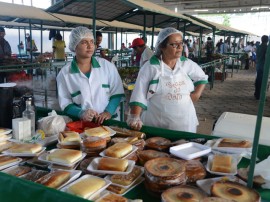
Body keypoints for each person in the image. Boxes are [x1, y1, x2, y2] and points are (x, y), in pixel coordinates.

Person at [127, 27, 208, 133]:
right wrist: (135, 117)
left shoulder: (186, 63)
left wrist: (197, 94)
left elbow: (202, 77)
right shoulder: (151, 66)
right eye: (174, 44)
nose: (179, 47)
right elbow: (139, 94)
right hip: (157, 124)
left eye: (181, 43)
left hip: (185, 123)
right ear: (162, 47)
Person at [56, 27, 125, 124]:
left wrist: (108, 112)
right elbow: (65, 103)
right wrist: (81, 113)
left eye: (92, 42)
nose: (90, 46)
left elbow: (117, 93)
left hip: (109, 122)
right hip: (82, 124)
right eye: (84, 42)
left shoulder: (107, 66)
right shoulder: (64, 74)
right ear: (74, 45)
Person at [254, 35, 269, 100]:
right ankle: (260, 95)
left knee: (258, 80)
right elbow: (266, 57)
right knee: (263, 81)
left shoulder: (259, 47)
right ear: (267, 40)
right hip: (264, 66)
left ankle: (256, 94)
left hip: (258, 65)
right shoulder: (266, 48)